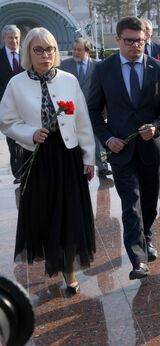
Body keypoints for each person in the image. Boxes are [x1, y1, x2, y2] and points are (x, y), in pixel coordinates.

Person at [0, 27, 96, 294]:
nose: (45, 55)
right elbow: (5, 121)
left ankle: (69, 270)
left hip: (67, 155)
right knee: (44, 212)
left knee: (69, 213)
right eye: (38, 49)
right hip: (37, 157)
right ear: (28, 52)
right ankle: (51, 258)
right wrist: (29, 133)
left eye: (50, 49)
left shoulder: (68, 80)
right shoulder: (16, 84)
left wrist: (89, 157)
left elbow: (82, 121)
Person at [88, 16, 160, 280]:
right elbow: (93, 110)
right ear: (118, 40)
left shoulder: (159, 69)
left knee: (149, 204)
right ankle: (138, 259)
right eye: (130, 41)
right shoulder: (103, 69)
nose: (136, 46)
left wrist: (156, 127)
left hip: (151, 149)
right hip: (120, 149)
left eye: (141, 41)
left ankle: (147, 236)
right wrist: (107, 138)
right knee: (130, 203)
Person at [60, 37, 112, 178]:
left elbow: (105, 89)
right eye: (74, 49)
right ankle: (76, 165)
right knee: (75, 139)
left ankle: (102, 166)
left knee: (98, 138)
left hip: (94, 109)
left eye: (79, 50)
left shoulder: (98, 66)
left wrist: (105, 110)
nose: (76, 52)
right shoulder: (64, 65)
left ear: (87, 51)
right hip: (71, 110)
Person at [0, 25, 25, 184]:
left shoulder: (27, 54)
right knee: (12, 140)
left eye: (16, 37)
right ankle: (18, 173)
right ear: (4, 39)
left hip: (26, 105)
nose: (14, 40)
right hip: (6, 106)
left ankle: (27, 169)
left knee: (27, 138)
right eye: (10, 37)